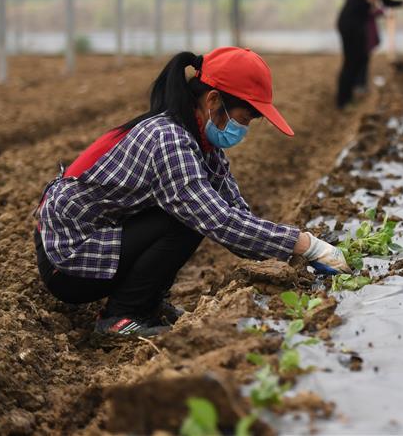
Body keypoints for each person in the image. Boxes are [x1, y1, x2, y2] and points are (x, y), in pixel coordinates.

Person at [34, 47, 350, 338]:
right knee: (185, 219)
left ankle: (147, 304)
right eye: (244, 119)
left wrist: (296, 257)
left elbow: (238, 217)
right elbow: (221, 223)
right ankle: (122, 315)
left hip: (99, 239)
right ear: (213, 102)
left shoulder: (203, 144)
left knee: (189, 212)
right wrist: (306, 244)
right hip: (69, 259)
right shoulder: (168, 140)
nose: (245, 130)